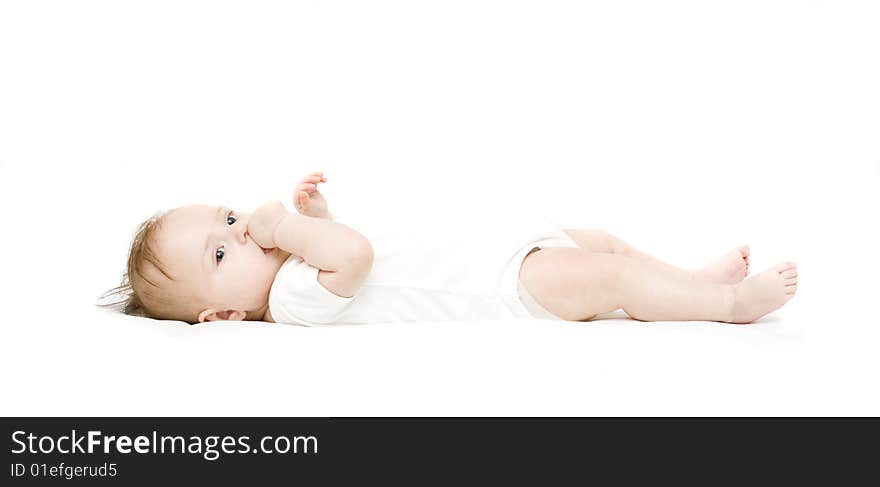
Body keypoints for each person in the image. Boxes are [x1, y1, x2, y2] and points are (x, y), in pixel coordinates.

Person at [101, 171, 797, 325]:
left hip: (499, 251)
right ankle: (729, 303)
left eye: (225, 217)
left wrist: (316, 215)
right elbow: (355, 258)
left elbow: (341, 244)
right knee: (609, 275)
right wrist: (288, 227)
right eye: (218, 255)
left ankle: (689, 279)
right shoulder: (287, 301)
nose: (238, 232)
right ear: (221, 317)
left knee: (606, 244)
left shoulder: (291, 269)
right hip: (504, 287)